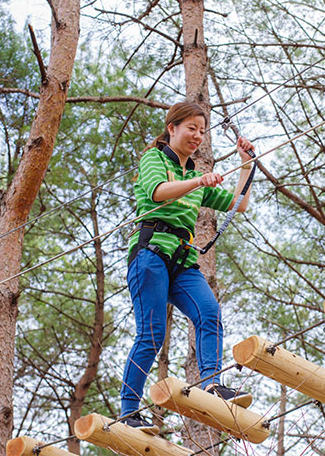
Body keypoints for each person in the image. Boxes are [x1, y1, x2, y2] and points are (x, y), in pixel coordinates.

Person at [120, 101, 255, 433]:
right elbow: (157, 192)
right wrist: (199, 183)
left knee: (209, 312)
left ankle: (212, 384)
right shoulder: (155, 159)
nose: (197, 135)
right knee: (152, 334)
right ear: (172, 128)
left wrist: (246, 165)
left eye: (202, 130)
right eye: (191, 128)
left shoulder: (196, 175)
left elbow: (240, 204)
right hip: (150, 253)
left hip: (182, 261)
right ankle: (128, 411)